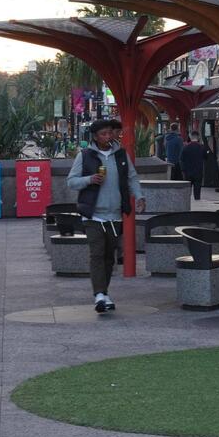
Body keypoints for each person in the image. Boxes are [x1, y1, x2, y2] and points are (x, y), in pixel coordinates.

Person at [66, 117, 145, 313]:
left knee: (109, 257)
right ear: (95, 136)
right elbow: (71, 181)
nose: (108, 136)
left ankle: (105, 292)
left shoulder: (120, 155)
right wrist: (89, 179)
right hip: (93, 214)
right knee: (97, 253)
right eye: (103, 134)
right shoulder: (85, 156)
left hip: (115, 214)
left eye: (110, 132)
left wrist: (140, 196)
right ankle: (99, 294)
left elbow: (132, 178)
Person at [180, 132, 207, 200]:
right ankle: (197, 199)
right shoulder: (202, 147)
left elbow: (181, 159)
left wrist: (183, 169)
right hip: (198, 171)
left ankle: (186, 200)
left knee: (188, 188)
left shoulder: (185, 147)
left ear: (190, 137)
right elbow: (206, 157)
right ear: (198, 137)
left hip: (188, 171)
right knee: (197, 187)